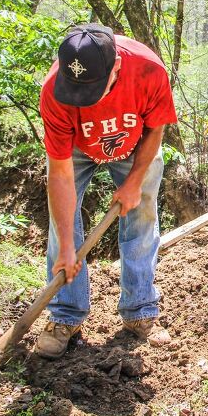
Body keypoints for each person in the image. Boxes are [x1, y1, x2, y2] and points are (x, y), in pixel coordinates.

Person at [36, 24, 177, 359]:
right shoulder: (54, 91)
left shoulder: (148, 69)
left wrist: (133, 182)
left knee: (142, 217)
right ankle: (65, 315)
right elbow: (59, 173)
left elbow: (156, 130)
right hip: (77, 148)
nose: (84, 100)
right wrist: (68, 249)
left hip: (135, 143)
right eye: (78, 92)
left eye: (93, 90)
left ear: (116, 66)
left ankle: (140, 309)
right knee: (62, 229)